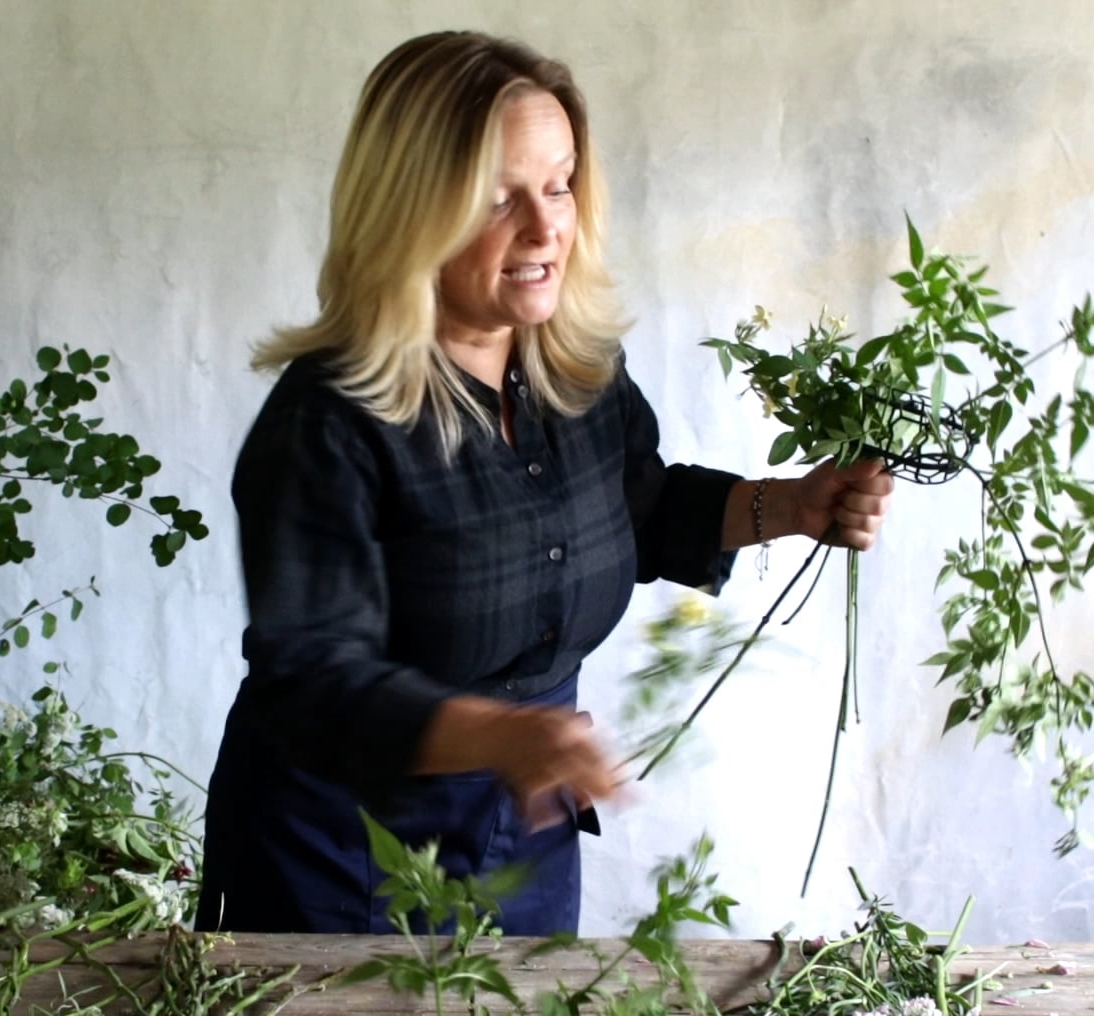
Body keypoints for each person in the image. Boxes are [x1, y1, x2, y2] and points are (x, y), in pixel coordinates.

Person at [193, 30, 893, 936]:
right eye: (498, 198)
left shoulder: (579, 369)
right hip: (339, 855)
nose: (545, 226)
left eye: (559, 184)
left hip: (523, 829)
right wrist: (503, 735)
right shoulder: (328, 422)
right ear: (411, 210)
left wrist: (789, 507)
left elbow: (640, 509)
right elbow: (315, 681)